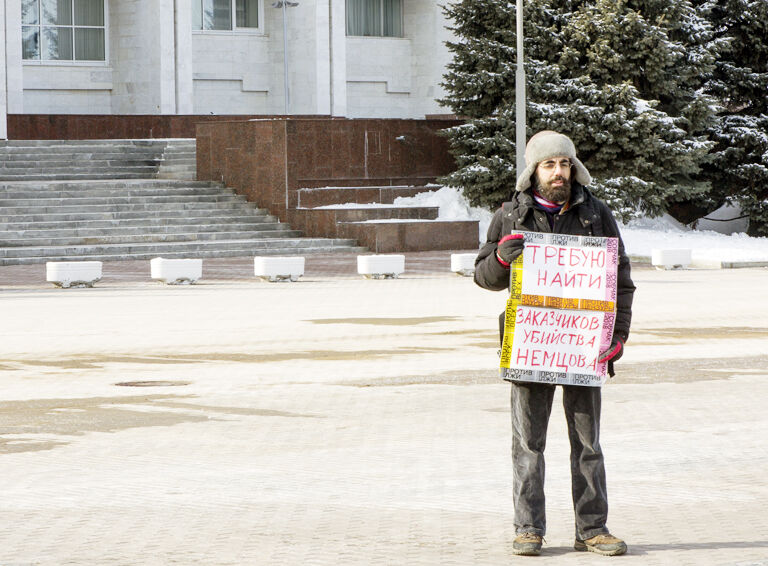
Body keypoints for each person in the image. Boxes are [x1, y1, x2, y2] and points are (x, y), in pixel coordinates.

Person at [473, 131, 636, 557]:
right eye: (550, 165)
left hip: (583, 350)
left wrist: (617, 337)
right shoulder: (511, 214)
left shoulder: (596, 213)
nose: (559, 172)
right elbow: (484, 277)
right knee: (528, 444)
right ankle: (528, 529)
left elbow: (621, 282)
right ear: (534, 171)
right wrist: (501, 259)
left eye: (565, 164)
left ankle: (592, 528)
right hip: (531, 346)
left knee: (588, 445)